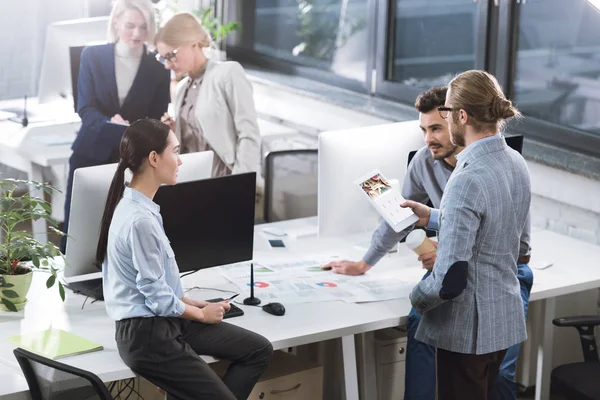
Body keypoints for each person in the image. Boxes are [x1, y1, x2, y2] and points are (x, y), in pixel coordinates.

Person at [323, 86, 533, 400]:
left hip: (499, 273)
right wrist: (364, 262)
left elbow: (514, 247)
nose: (428, 138)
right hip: (458, 269)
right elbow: (400, 216)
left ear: (457, 120)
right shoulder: (424, 162)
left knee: (498, 374)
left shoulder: (487, 170)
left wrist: (452, 254)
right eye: (423, 130)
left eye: (436, 128)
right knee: (420, 327)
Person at [96, 118, 273, 400]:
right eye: (175, 152)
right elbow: (155, 297)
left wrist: (191, 302)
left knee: (258, 349)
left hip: (165, 321)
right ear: (154, 158)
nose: (180, 161)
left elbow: (155, 287)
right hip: (147, 336)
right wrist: (201, 314)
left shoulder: (143, 208)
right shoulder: (139, 219)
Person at [401, 70, 531, 400]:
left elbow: (450, 279)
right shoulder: (515, 162)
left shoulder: (466, 177)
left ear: (461, 115)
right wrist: (431, 216)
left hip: (467, 331)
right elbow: (502, 230)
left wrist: (418, 296)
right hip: (503, 320)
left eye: (446, 112)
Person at [62, 0, 170, 252]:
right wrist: (111, 125)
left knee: (123, 229)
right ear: (116, 23)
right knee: (78, 226)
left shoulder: (158, 67)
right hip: (90, 152)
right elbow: (85, 109)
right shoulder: (92, 55)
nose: (137, 34)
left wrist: (132, 131)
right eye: (130, 25)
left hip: (132, 159)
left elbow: (154, 119)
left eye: (144, 27)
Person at [154, 12, 261, 178]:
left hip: (225, 179)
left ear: (193, 43)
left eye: (171, 55)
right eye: (163, 58)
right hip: (192, 181)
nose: (167, 65)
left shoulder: (228, 73)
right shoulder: (182, 88)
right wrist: (175, 131)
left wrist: (241, 182)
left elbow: (249, 135)